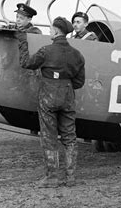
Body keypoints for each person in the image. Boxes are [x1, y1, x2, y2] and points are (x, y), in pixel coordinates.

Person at [17, 17, 85, 188]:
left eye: (50, 29)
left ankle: (52, 177)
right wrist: (65, 84)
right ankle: (70, 178)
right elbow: (80, 82)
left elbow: (26, 63)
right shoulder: (77, 55)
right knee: (70, 137)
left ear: (55, 31)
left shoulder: (46, 51)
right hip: (68, 95)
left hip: (48, 95)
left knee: (49, 136)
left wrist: (22, 40)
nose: (49, 31)